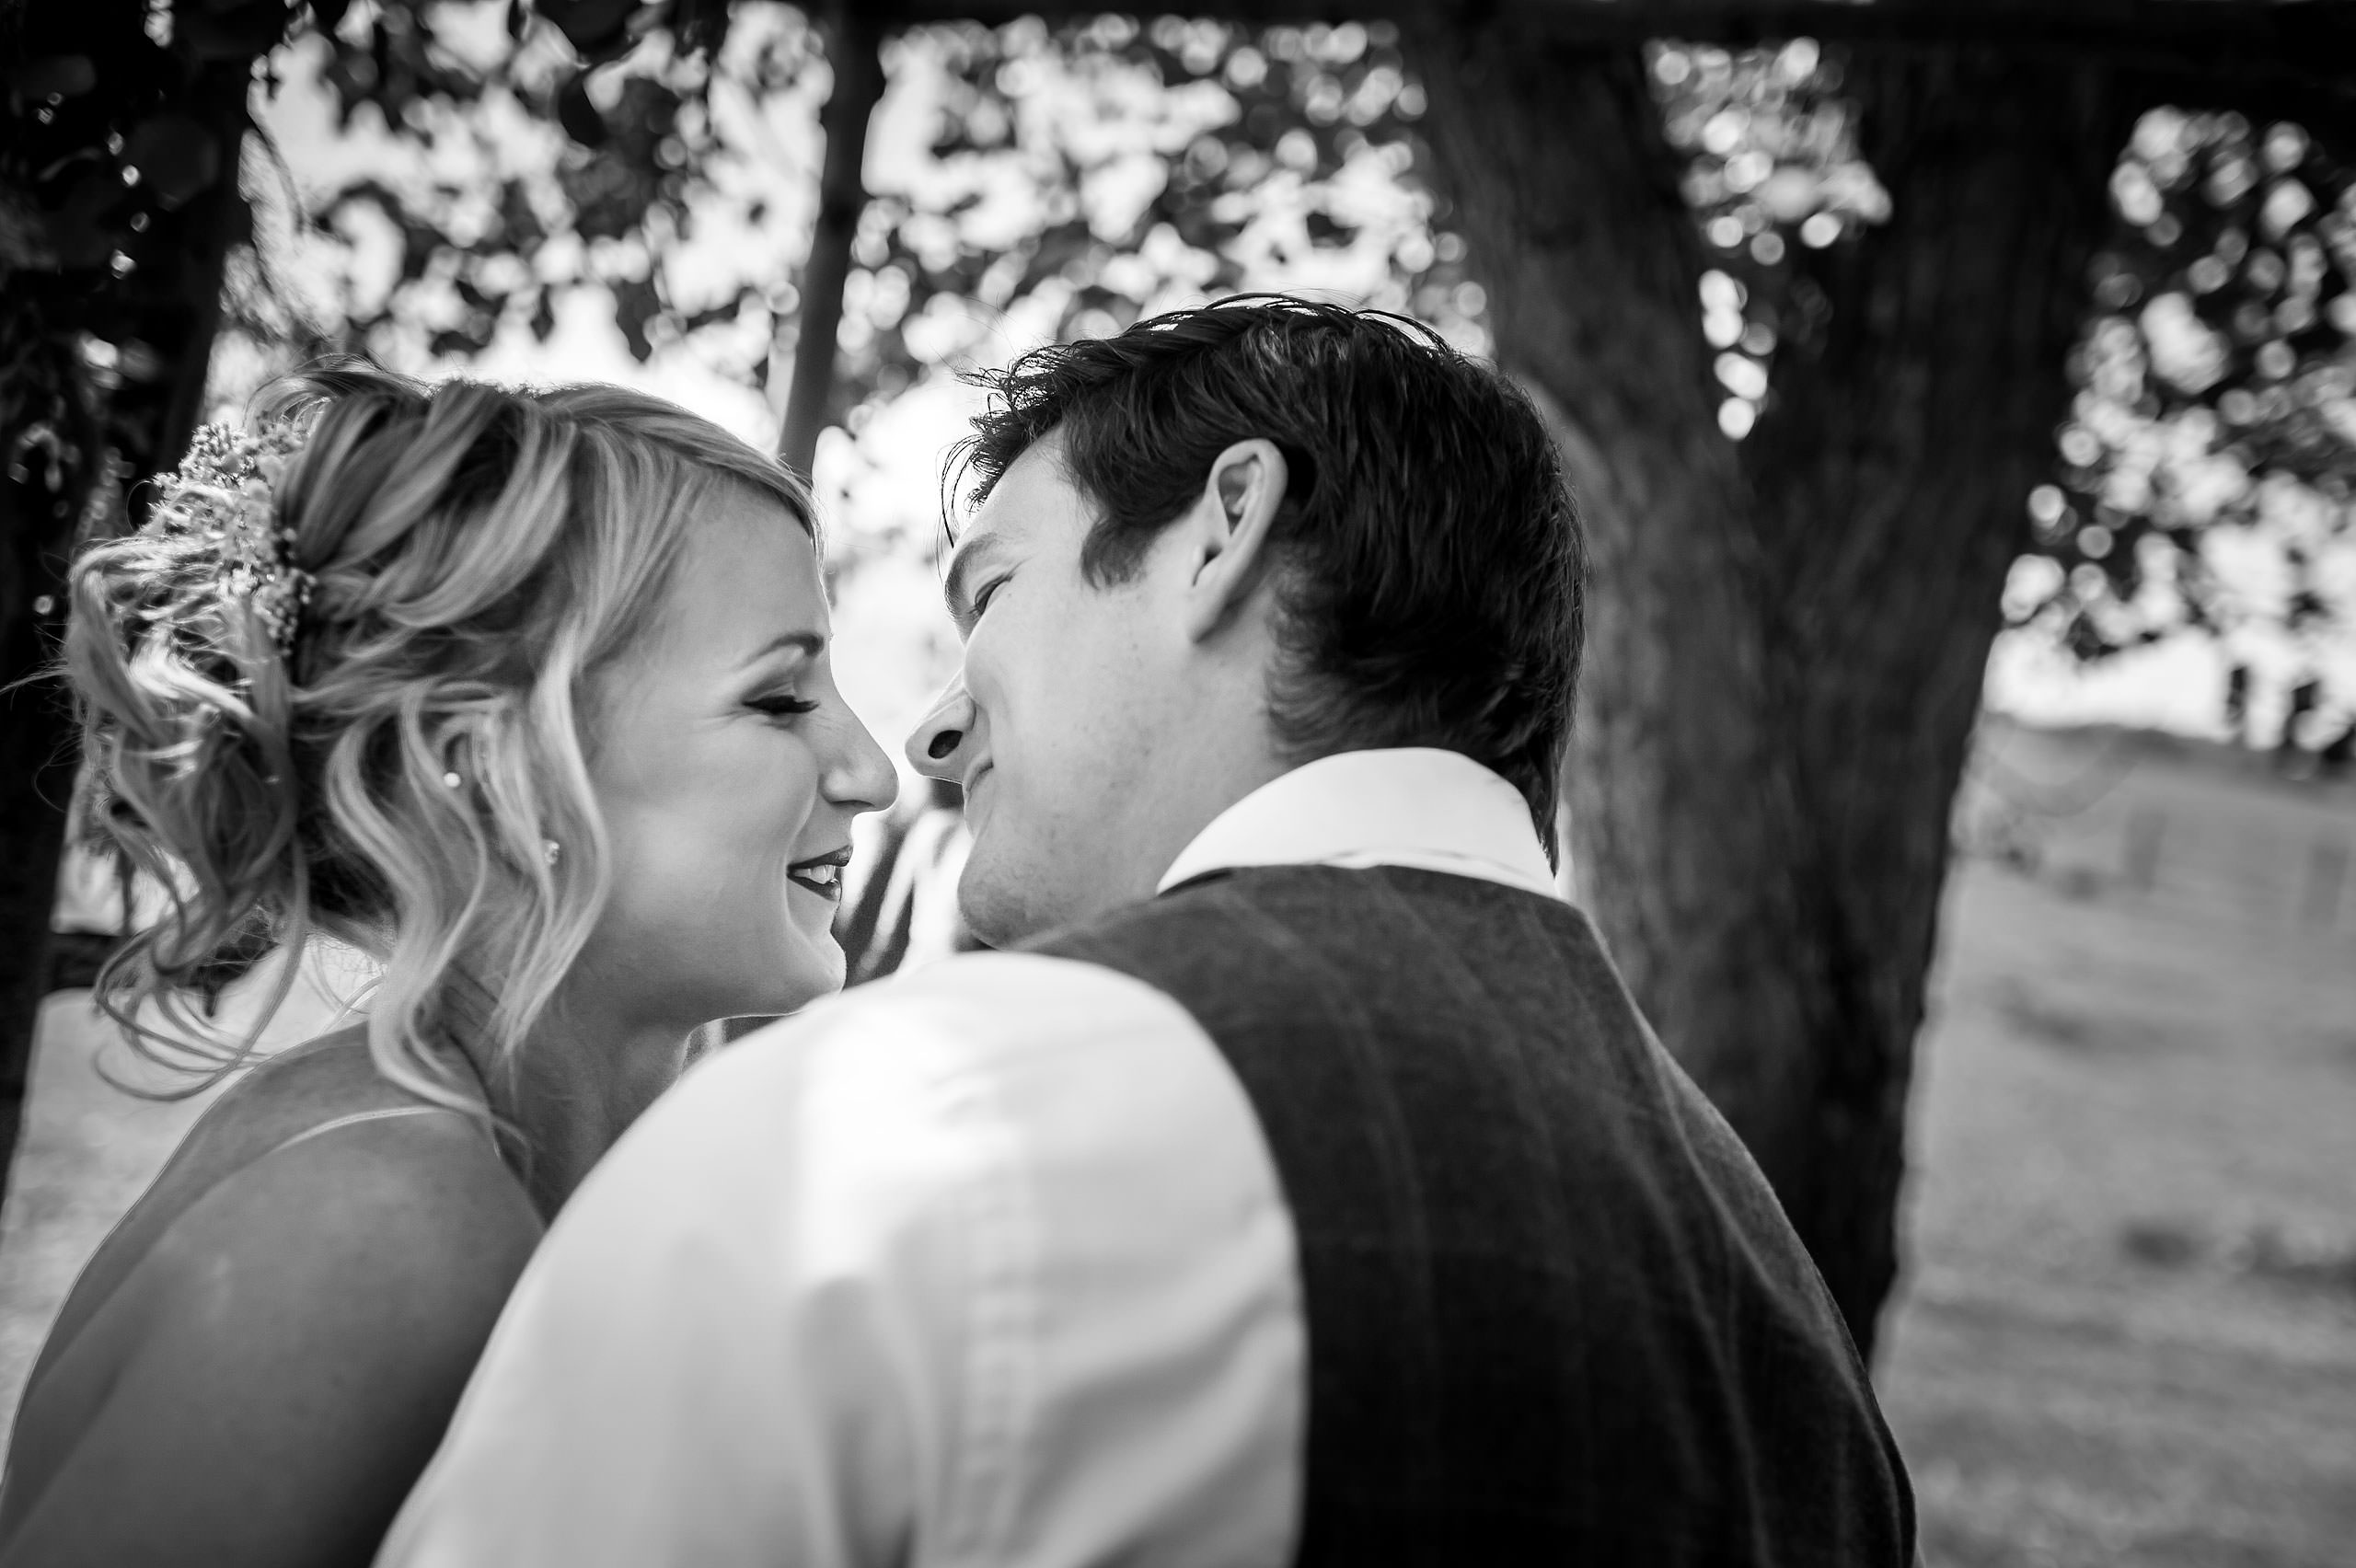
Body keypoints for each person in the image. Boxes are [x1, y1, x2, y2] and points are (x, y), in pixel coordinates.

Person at [380, 297, 1916, 1565]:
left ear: (1220, 531)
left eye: (991, 594)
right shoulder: (1793, 1335)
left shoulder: (916, 1125)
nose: (924, 736)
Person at [0, 366, 896, 1566]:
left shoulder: (540, 1176)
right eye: (780, 698)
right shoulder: (385, 1237)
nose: (874, 770)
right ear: (498, 763)